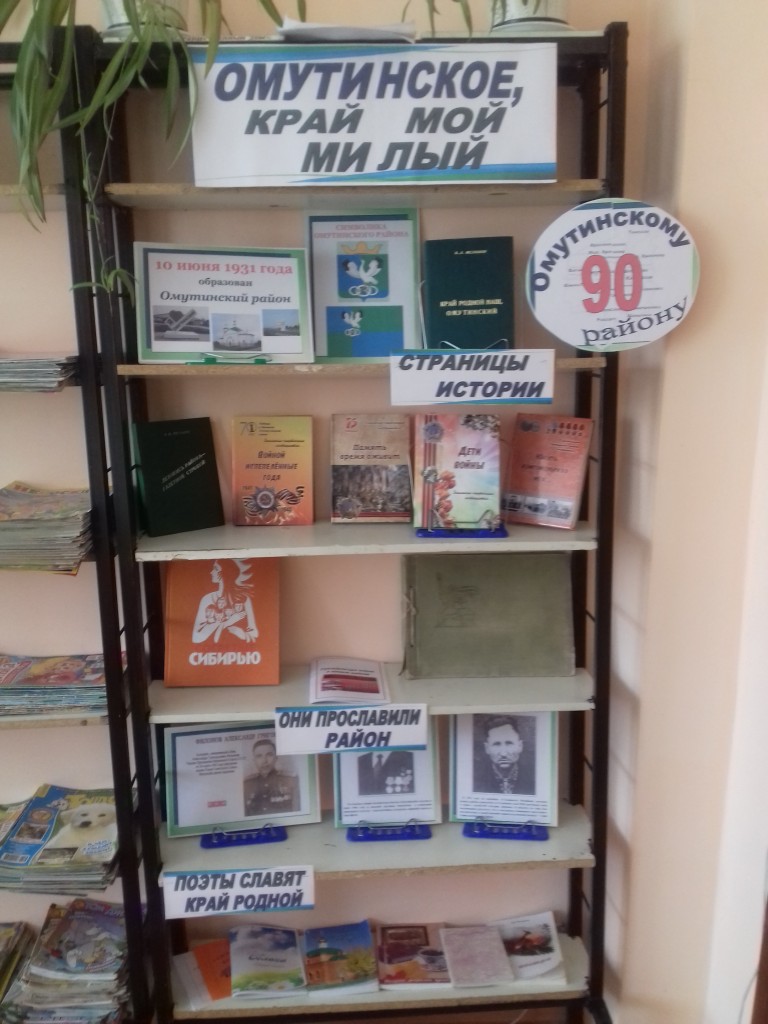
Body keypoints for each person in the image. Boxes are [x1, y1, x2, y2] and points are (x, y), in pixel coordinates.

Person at [192, 559, 259, 644]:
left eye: (216, 569)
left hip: (238, 648)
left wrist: (242, 634)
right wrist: (228, 622)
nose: (211, 572)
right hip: (212, 649)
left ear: (225, 573)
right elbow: (196, 638)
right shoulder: (207, 599)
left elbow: (255, 634)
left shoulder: (244, 599)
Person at [473, 714, 535, 795]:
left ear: (520, 746)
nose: (503, 753)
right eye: (496, 744)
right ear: (487, 748)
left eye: (509, 743)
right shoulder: (474, 780)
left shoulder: (535, 777)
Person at [242, 736, 300, 816]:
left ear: (276, 758)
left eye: (269, 755)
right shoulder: (247, 784)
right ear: (254, 760)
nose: (264, 761)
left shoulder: (290, 779)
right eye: (259, 756)